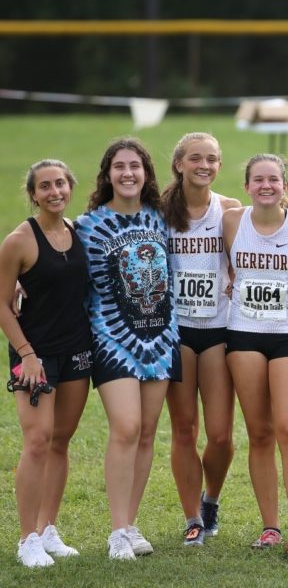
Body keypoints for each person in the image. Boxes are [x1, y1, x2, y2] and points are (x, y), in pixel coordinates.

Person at [75, 138, 181, 560]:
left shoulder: (161, 219)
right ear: (107, 175)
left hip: (161, 338)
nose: (128, 174)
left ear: (146, 174)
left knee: (147, 433)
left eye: (135, 166)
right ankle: (117, 530)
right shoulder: (86, 226)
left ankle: (130, 524)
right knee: (125, 427)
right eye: (119, 167)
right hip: (111, 339)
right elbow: (59, 264)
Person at [222, 154, 288, 561]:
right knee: (259, 433)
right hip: (243, 334)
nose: (266, 185)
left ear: (285, 186)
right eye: (258, 179)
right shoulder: (230, 222)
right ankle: (270, 527)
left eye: (274, 179)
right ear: (246, 186)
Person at [0, 160, 92, 567]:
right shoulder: (20, 240)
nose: (54, 191)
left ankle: (48, 528)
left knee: (61, 441)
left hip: (77, 351)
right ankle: (27, 539)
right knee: (37, 442)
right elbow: (2, 304)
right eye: (45, 186)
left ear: (69, 187)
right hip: (34, 357)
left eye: (60, 184)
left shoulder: (77, 231)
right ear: (33, 194)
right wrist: (27, 355)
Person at [161, 132, 241, 546]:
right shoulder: (158, 211)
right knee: (184, 429)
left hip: (219, 328)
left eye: (212, 158)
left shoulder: (230, 210)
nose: (204, 165)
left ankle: (211, 499)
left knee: (222, 434)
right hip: (175, 332)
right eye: (196, 158)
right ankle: (193, 517)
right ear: (179, 164)